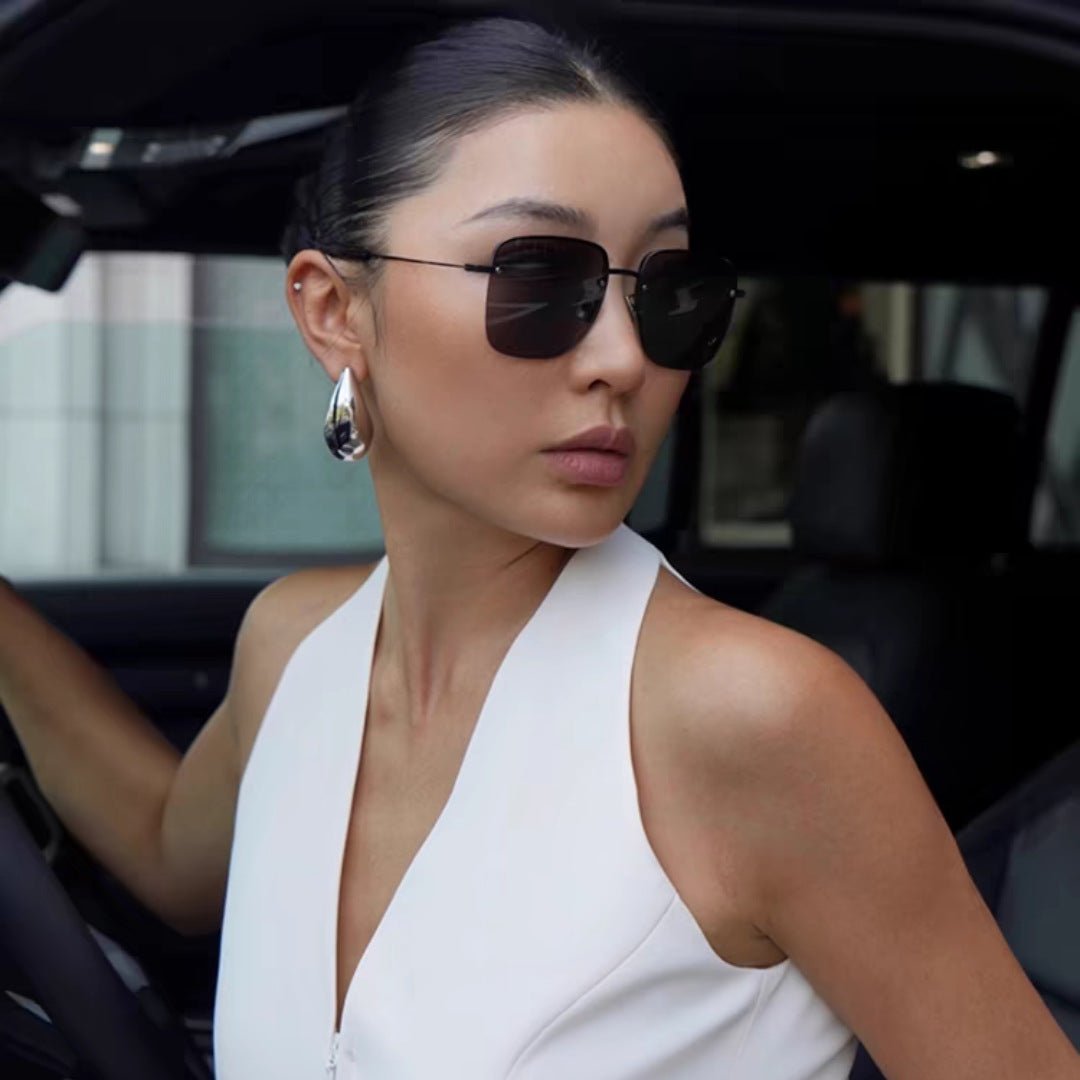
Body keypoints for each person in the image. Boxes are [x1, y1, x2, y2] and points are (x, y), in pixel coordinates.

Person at [0, 15, 1077, 1080]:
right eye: (539, 279)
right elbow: (166, 850)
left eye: (670, 293)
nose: (624, 357)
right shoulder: (294, 644)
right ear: (334, 312)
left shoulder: (755, 715)